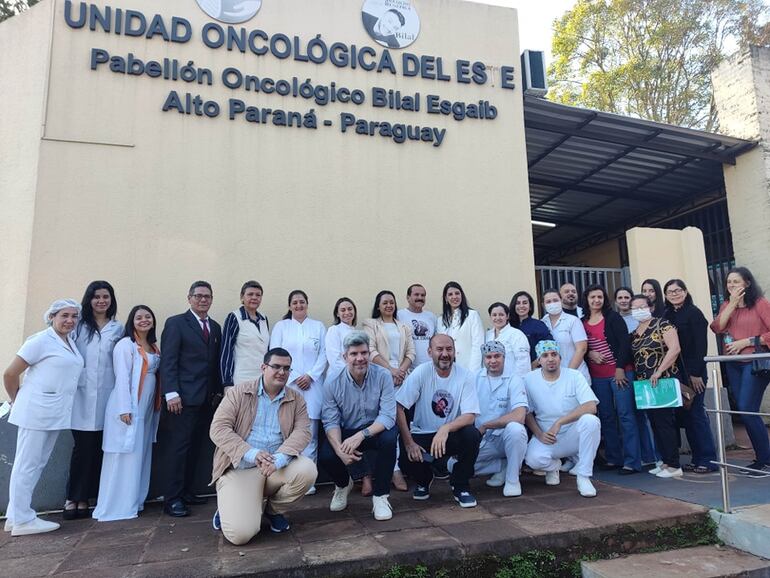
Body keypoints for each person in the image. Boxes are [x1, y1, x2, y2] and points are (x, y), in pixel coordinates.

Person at [209, 348, 317, 545]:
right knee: (240, 536)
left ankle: (272, 511)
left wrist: (279, 459)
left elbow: (303, 431)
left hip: (275, 467)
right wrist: (252, 454)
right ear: (263, 367)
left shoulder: (296, 398)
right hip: (241, 468)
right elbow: (218, 429)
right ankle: (228, 506)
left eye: (286, 368)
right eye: (276, 366)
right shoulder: (239, 392)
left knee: (307, 469)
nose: (281, 372)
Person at [3, 299, 84, 536]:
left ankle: (15, 516)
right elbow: (10, 373)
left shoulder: (69, 342)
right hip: (36, 411)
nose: (70, 320)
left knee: (36, 464)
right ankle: (23, 520)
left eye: (74, 316)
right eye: (64, 316)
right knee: (27, 464)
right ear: (52, 317)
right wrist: (17, 398)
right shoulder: (40, 340)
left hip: (53, 412)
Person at [159, 281, 223, 517]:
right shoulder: (176, 323)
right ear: (189, 298)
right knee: (178, 449)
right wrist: (171, 392)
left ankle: (186, 491)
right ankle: (172, 498)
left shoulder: (214, 327)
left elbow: (214, 363)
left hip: (206, 400)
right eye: (198, 296)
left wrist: (216, 392)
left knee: (195, 448)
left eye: (207, 296)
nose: (203, 300)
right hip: (182, 400)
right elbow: (168, 361)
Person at [396, 334, 481, 507]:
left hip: (450, 434)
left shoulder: (465, 376)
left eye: (449, 349)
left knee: (472, 434)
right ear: (429, 352)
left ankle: (460, 485)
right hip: (423, 434)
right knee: (404, 449)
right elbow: (399, 406)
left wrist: (446, 429)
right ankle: (424, 480)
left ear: (454, 352)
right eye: (439, 349)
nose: (444, 354)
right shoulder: (421, 372)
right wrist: (408, 442)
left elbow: (470, 415)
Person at [93, 305, 161, 521]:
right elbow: (122, 377)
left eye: (148, 317)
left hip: (147, 407)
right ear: (132, 321)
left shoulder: (152, 346)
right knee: (124, 454)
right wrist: (124, 408)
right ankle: (116, 505)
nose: (144, 320)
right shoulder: (125, 345)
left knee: (140, 453)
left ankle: (135, 500)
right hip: (130, 406)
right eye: (139, 317)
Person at [320, 331, 397, 521]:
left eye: (364, 353)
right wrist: (339, 449)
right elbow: (330, 420)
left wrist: (362, 435)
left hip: (374, 429)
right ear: (345, 357)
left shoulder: (383, 376)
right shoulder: (332, 381)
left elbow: (388, 416)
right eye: (354, 354)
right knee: (327, 456)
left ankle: (380, 496)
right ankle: (342, 484)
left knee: (389, 439)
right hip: (347, 430)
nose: (360, 358)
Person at [65, 280, 123, 520]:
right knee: (82, 448)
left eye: (106, 297)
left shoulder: (118, 328)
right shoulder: (78, 326)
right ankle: (73, 497)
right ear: (89, 300)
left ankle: (90, 497)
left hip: (108, 396)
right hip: (81, 396)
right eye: (97, 297)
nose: (101, 301)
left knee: (101, 449)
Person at [710, 266, 770, 476]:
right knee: (745, 412)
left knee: (746, 407)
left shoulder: (760, 304)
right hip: (733, 363)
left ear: (747, 283)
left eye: (736, 282)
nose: (732, 286)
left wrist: (747, 341)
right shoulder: (728, 304)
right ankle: (762, 458)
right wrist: (732, 304)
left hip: (755, 362)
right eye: (729, 282)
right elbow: (717, 327)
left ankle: (766, 459)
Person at [523, 341, 600, 497]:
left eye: (554, 354)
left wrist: (560, 422)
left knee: (590, 421)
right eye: (545, 356)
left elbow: (591, 406)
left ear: (560, 357)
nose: (550, 359)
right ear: (539, 360)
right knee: (533, 460)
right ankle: (553, 467)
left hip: (572, 434)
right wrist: (538, 434)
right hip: (546, 436)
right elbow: (526, 412)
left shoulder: (574, 376)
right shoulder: (529, 379)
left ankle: (583, 476)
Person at [269, 289, 327, 493]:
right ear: (289, 306)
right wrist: (292, 377)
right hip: (288, 385)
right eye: (294, 302)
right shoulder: (281, 326)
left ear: (307, 304)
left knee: (310, 433)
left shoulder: (318, 326)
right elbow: (275, 354)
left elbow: (324, 354)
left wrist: (310, 375)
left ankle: (308, 480)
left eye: (302, 302)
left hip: (313, 385)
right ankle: (287, 478)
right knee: (287, 430)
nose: (298, 305)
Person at [582, 285, 640, 473]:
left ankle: (632, 462)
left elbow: (625, 344)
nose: (596, 300)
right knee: (606, 417)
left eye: (600, 296)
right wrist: (590, 353)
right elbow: (582, 346)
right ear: (587, 299)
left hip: (620, 374)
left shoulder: (613, 318)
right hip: (597, 377)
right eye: (593, 297)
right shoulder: (582, 322)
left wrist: (620, 368)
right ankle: (614, 458)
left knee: (625, 416)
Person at [363, 290, 415, 491]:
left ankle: (402, 466)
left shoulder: (403, 326)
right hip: (381, 375)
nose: (389, 305)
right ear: (378, 305)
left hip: (403, 377)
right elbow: (372, 351)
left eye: (392, 302)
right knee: (389, 422)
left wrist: (400, 370)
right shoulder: (370, 324)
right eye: (385, 302)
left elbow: (410, 352)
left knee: (403, 420)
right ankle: (393, 470)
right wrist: (390, 370)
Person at [664, 279, 718, 473]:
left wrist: (696, 374)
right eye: (670, 292)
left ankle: (708, 460)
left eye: (678, 291)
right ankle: (697, 459)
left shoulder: (694, 314)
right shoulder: (667, 315)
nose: (674, 294)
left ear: (685, 292)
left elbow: (701, 346)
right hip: (676, 374)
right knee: (687, 417)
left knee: (697, 415)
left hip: (694, 373)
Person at [630, 294, 683, 478]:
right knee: (654, 422)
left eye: (642, 306)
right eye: (634, 308)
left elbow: (674, 348)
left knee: (665, 423)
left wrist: (659, 371)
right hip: (644, 384)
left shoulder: (663, 324)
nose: (638, 310)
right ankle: (665, 462)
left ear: (651, 307)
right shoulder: (635, 332)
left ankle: (675, 465)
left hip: (662, 379)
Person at [473, 341, 528, 497]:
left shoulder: (514, 379)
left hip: (505, 437)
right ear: (484, 359)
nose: (493, 360)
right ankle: (502, 466)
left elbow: (519, 415)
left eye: (497, 356)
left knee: (516, 428)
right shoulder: (474, 377)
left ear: (504, 357)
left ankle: (512, 479)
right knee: (454, 465)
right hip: (483, 439)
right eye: (488, 357)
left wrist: (486, 426)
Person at [220, 281, 270, 388]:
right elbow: (226, 351)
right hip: (241, 378)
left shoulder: (263, 319)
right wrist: (227, 383)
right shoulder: (234, 317)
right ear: (242, 297)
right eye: (250, 294)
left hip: (263, 379)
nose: (254, 297)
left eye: (258, 295)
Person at [541, 289, 590, 382]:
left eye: (555, 300)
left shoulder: (573, 321)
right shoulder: (542, 323)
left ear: (561, 301)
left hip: (575, 375)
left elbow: (581, 349)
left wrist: (568, 373)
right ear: (543, 305)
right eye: (548, 301)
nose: (552, 303)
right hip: (553, 378)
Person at [436, 281, 484, 371]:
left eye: (457, 293)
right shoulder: (440, 320)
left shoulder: (472, 315)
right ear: (446, 298)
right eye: (450, 294)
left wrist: (473, 371)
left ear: (462, 295)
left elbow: (478, 345)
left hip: (468, 367)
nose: (454, 297)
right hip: (448, 369)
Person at [485, 302, 530, 377]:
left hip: (511, 381)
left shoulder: (517, 334)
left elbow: (523, 363)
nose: (498, 318)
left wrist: (516, 383)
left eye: (501, 315)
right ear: (490, 317)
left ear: (507, 316)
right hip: (491, 381)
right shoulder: (487, 335)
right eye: (494, 315)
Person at [398, 284, 437, 368]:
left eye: (423, 295)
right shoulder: (399, 315)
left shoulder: (431, 317)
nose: (420, 298)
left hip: (430, 367)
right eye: (416, 295)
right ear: (408, 298)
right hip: (407, 369)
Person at [509, 290, 552, 364]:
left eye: (525, 303)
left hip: (534, 370)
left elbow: (549, 346)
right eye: (518, 303)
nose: (521, 306)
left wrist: (534, 364)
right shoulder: (509, 326)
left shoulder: (538, 325)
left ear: (530, 307)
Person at [325, 297, 358, 383]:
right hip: (339, 378)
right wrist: (350, 374)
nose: (347, 312)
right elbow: (334, 359)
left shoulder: (357, 332)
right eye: (343, 310)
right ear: (337, 314)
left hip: (356, 378)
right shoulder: (334, 330)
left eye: (350, 309)